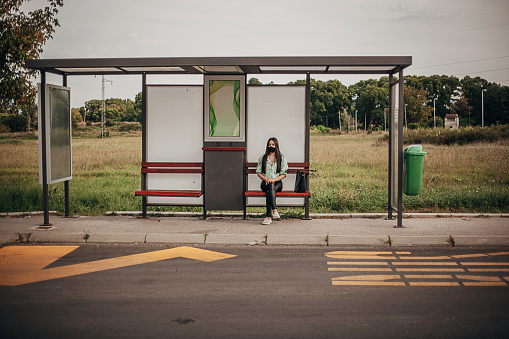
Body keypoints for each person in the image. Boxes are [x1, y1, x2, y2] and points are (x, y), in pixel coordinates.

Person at [256, 137, 288, 225]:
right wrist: (266, 178)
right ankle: (274, 210)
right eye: (269, 144)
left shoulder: (281, 159)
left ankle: (268, 217)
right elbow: (259, 172)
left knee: (270, 189)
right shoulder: (263, 158)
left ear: (276, 146)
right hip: (265, 183)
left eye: (273, 144)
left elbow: (283, 174)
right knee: (269, 187)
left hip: (277, 183)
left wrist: (273, 179)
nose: (271, 146)